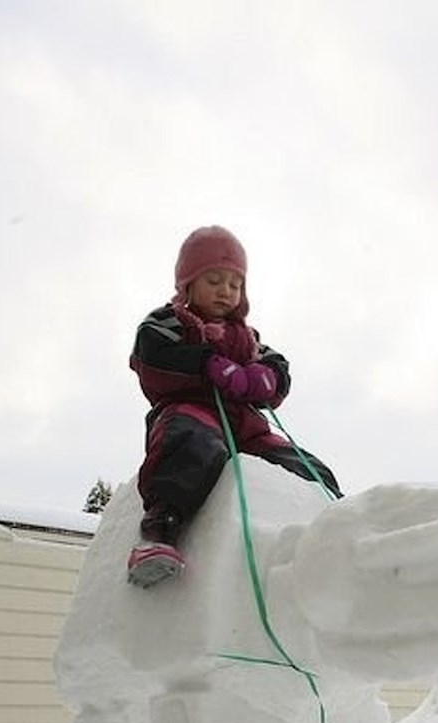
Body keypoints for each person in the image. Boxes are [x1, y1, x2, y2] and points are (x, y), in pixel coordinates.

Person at [127, 225, 342, 588]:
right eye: (213, 280)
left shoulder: (247, 338)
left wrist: (268, 377)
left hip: (245, 422)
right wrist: (205, 363)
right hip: (192, 408)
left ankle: (337, 523)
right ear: (187, 283)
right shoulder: (169, 322)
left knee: (298, 463)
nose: (225, 291)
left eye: (234, 283)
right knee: (192, 445)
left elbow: (278, 363)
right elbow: (152, 351)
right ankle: (160, 530)